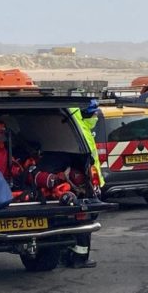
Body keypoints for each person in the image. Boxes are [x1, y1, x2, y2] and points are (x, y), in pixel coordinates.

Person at [65, 100, 105, 268]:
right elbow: (89, 161)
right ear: (87, 114)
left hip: (80, 184)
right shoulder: (83, 131)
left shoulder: (74, 122)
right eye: (94, 113)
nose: (96, 116)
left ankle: (69, 254)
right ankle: (80, 258)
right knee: (85, 222)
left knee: (75, 222)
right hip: (84, 186)